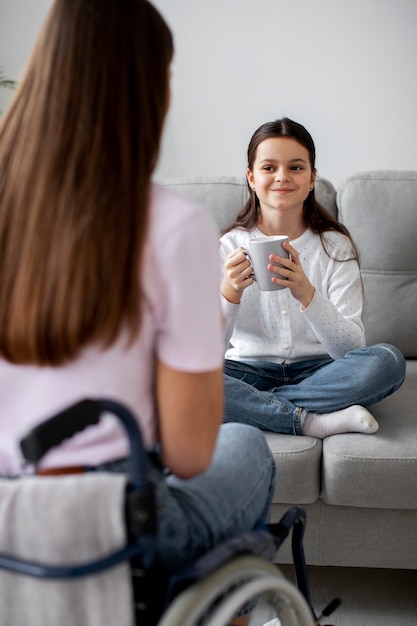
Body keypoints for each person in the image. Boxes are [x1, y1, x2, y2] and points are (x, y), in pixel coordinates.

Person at [0, 0, 276, 594]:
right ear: (153, 91)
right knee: (245, 444)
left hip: (5, 525)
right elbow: (189, 454)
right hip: (109, 525)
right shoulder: (171, 228)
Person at [220, 118, 406, 438]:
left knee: (387, 360)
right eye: (268, 168)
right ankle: (311, 421)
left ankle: (262, 409)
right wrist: (229, 293)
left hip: (321, 373)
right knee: (174, 375)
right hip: (246, 372)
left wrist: (307, 293)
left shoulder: (335, 247)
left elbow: (350, 349)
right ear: (251, 178)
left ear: (311, 179)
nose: (282, 177)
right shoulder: (227, 246)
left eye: (295, 167)